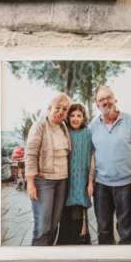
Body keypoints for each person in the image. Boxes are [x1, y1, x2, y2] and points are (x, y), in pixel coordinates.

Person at [89, 87, 131, 246]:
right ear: (97, 104)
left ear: (115, 100)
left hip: (126, 185)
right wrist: (90, 183)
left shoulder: (130, 121)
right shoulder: (92, 127)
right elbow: (90, 157)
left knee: (127, 230)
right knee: (103, 230)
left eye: (109, 97)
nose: (106, 101)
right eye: (101, 99)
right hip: (101, 186)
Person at [24, 93, 72, 246]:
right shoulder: (39, 126)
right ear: (50, 108)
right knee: (43, 227)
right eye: (58, 107)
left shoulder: (64, 128)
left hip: (62, 181)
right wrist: (30, 183)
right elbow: (30, 154)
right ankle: (36, 260)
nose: (61, 111)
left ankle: (48, 256)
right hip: (44, 182)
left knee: (54, 224)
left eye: (65, 109)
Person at [56, 102, 95, 245]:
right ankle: (64, 244)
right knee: (65, 214)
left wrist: (90, 183)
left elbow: (92, 157)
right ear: (68, 117)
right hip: (66, 181)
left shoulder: (87, 133)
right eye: (72, 115)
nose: (75, 118)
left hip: (81, 182)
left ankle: (77, 242)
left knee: (78, 213)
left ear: (84, 117)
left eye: (79, 115)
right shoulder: (64, 132)